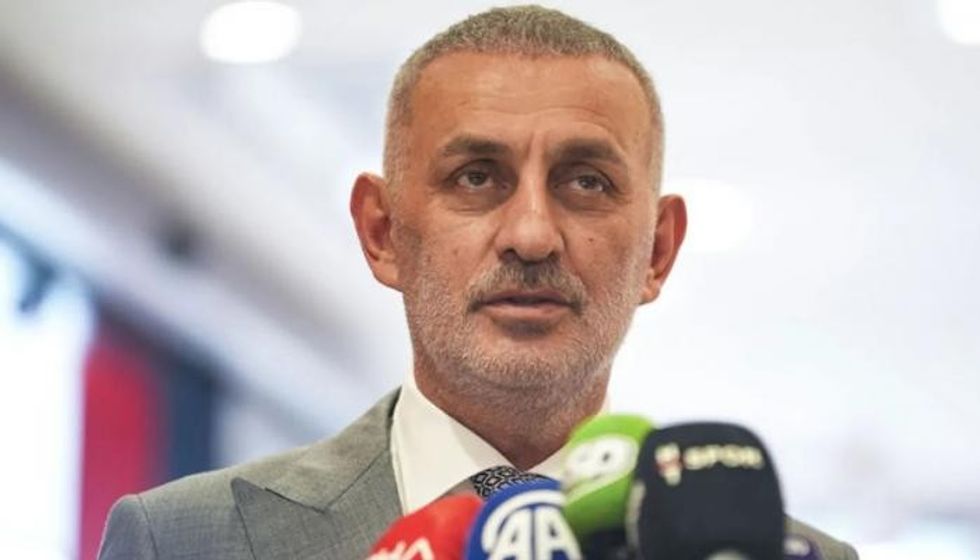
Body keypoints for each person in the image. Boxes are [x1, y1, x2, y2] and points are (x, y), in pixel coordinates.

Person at [98, 6, 858, 559]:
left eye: (586, 182)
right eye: (476, 176)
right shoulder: (186, 540)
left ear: (657, 251)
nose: (531, 234)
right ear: (382, 232)